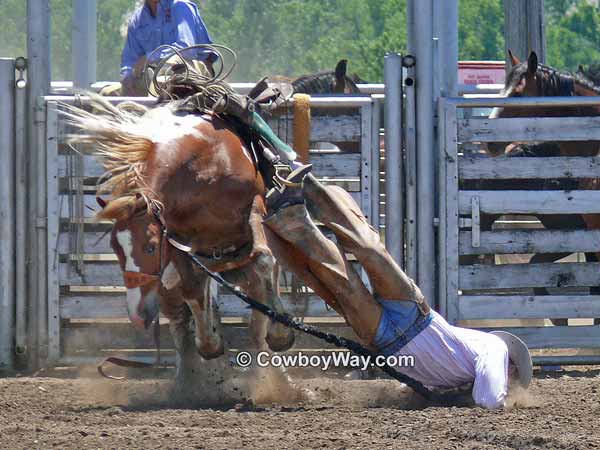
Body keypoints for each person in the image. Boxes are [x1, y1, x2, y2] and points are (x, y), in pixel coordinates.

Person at [263, 169, 533, 409]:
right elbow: (490, 400)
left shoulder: (451, 382)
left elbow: (411, 386)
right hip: (413, 318)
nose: (509, 384)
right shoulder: (496, 349)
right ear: (510, 368)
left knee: (343, 279)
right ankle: (309, 189)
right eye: (512, 380)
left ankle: (290, 215)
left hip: (390, 336)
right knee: (368, 253)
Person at [120, 0, 216, 96]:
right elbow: (129, 61)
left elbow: (187, 50)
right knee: (111, 91)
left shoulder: (180, 6)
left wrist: (150, 58)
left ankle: (155, 94)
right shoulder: (137, 20)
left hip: (193, 74)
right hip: (154, 76)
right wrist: (128, 78)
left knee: (172, 62)